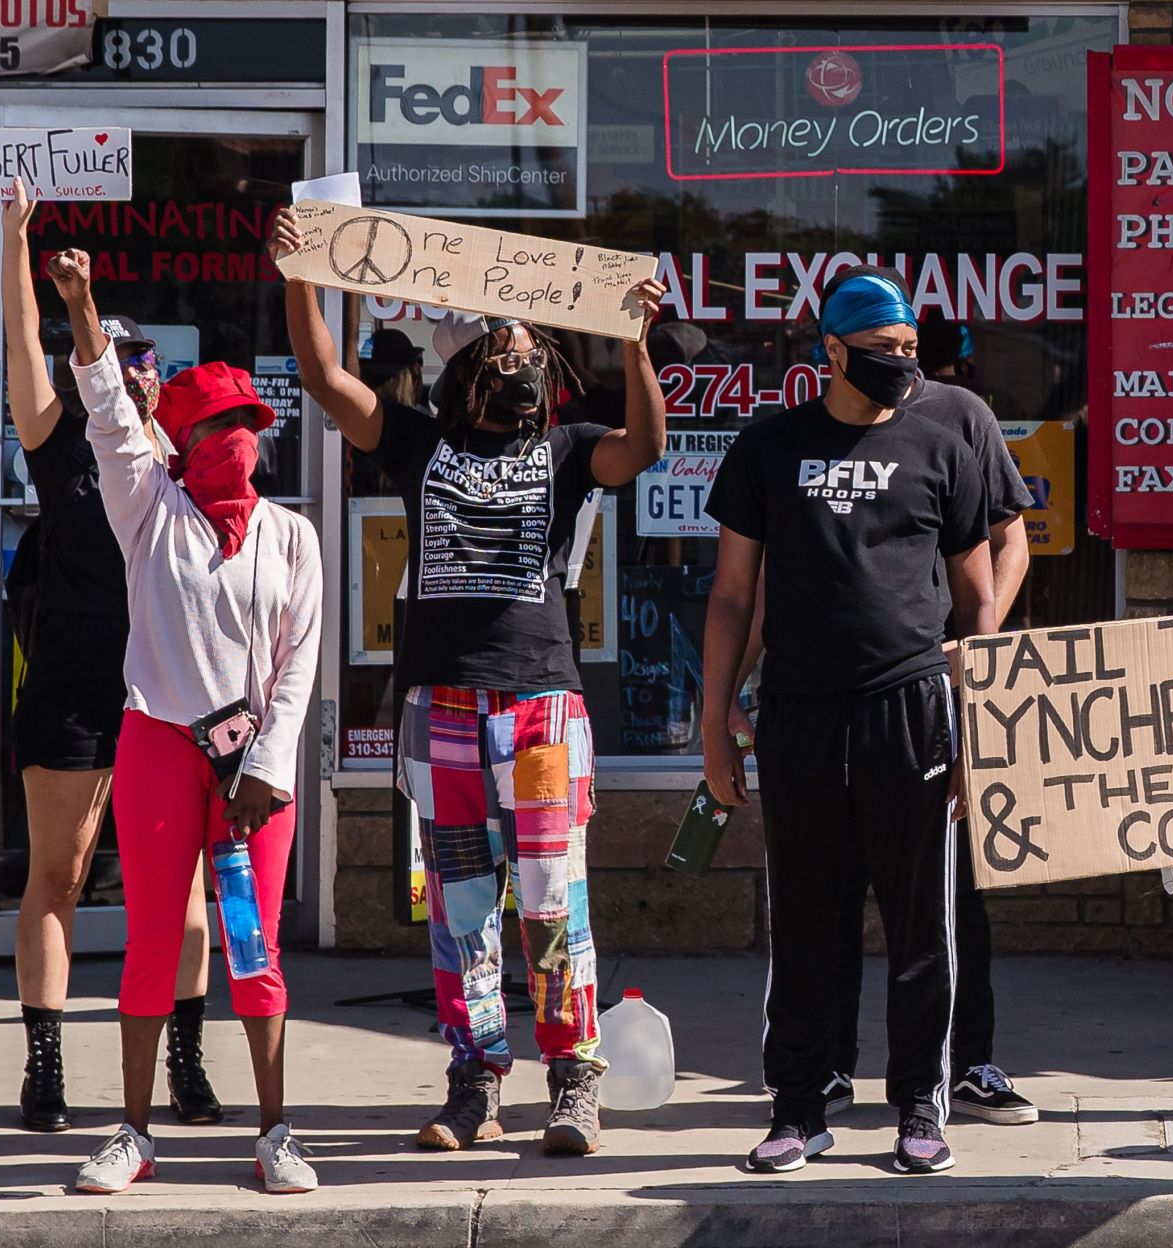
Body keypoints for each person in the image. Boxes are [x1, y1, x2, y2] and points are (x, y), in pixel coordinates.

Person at [273, 209, 669, 1156]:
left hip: (538, 703)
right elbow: (328, 380)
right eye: (498, 342)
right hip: (442, 704)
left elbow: (645, 448)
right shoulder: (417, 441)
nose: (513, 356)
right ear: (461, 369)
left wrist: (637, 345)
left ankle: (572, 1080)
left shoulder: (570, 450)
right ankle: (475, 1079)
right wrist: (299, 274)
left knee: (548, 893)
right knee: (459, 905)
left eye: (527, 344)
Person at [722, 266, 1041, 1126]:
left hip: (914, 705)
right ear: (832, 350)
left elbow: (990, 571)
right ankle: (808, 1091)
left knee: (930, 918)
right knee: (809, 912)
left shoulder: (952, 429)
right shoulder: (772, 448)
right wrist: (723, 712)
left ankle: (934, 1091)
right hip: (804, 710)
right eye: (880, 350)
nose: (900, 363)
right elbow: (741, 597)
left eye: (908, 348)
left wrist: (976, 691)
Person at [49, 266, 323, 1195]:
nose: (237, 442)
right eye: (218, 427)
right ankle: (132, 1130)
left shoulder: (294, 538)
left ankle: (277, 1130)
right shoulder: (147, 507)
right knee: (153, 939)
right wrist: (82, 307)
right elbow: (104, 407)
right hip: (161, 745)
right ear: (183, 437)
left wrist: (268, 770)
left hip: (253, 773)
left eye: (249, 427)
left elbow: (298, 668)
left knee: (253, 947)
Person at [0, 184, 221, 1132]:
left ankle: (188, 1064)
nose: (124, 370)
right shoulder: (61, 447)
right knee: (60, 873)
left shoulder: (179, 457)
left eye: (140, 358)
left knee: (188, 892)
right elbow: (23, 349)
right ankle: (44, 1069)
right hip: (74, 680)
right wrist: (16, 243)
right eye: (110, 354)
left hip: (168, 683)